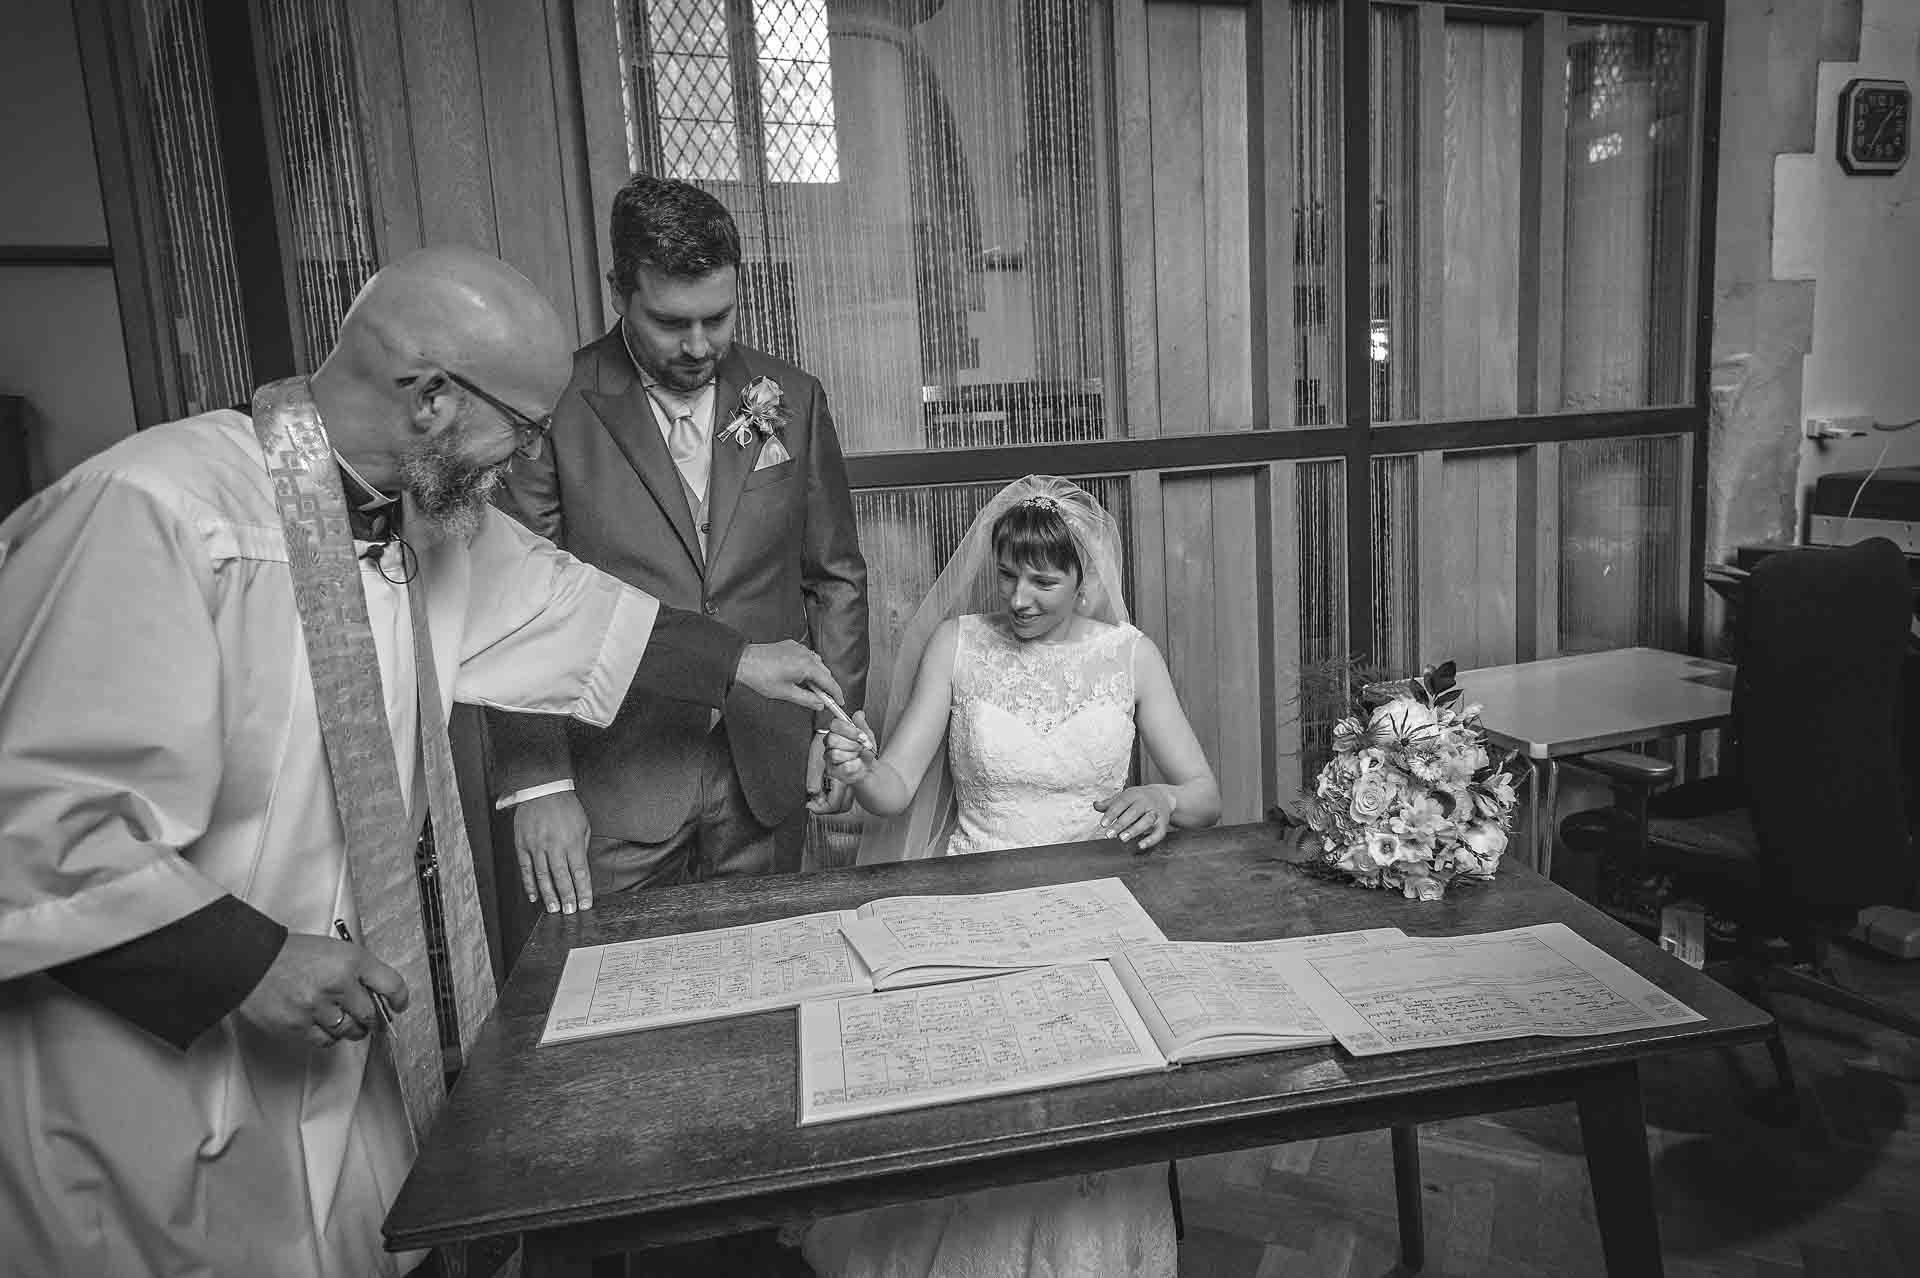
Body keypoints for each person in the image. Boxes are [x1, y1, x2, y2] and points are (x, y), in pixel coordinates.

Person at [0, 246, 839, 1278]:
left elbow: (561, 603)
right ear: (435, 398)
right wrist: (248, 960)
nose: (523, 459)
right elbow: (35, 822)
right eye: (522, 430)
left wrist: (739, 658)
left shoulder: (418, 512)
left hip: (336, 1031)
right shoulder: (158, 510)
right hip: (157, 1054)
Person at [804, 474, 1222, 1277]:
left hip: (1098, 910)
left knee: (1092, 1105)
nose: (1019, 598)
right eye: (1007, 575)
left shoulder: (1129, 657)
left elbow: (1205, 794)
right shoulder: (959, 643)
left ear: (1084, 579)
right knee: (979, 1108)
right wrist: (858, 768)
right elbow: (896, 787)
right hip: (976, 901)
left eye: (1044, 580)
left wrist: (1161, 795)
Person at [489, 174, 869, 914]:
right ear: (618, 291)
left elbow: (835, 578)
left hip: (764, 768)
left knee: (768, 980)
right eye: (670, 323)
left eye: (718, 319)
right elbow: (515, 603)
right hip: (613, 776)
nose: (700, 346)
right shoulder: (553, 408)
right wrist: (539, 781)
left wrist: (835, 724)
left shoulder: (794, 394)